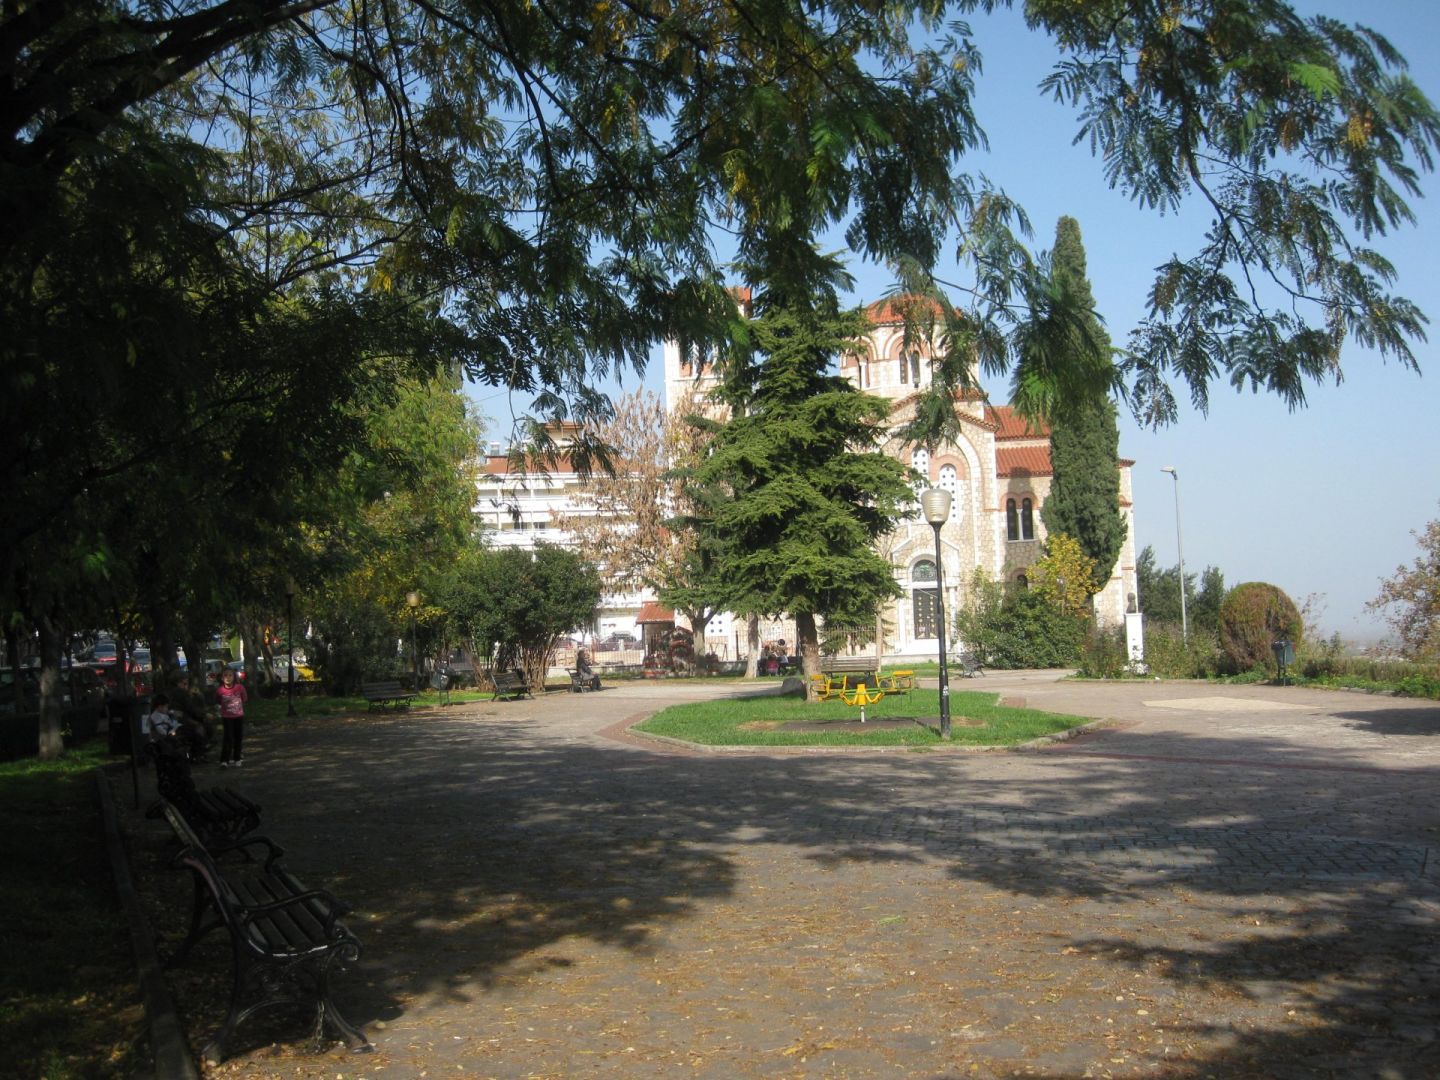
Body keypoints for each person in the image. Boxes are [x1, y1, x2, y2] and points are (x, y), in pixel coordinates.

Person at [215, 666, 249, 767]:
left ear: (234, 677)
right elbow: (218, 700)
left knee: (238, 737)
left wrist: (237, 706)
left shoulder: (239, 688)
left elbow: (244, 698)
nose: (228, 678)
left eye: (230, 675)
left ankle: (237, 757)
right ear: (222, 678)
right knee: (228, 737)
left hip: (238, 716)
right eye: (225, 675)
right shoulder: (220, 690)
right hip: (227, 717)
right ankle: (224, 760)